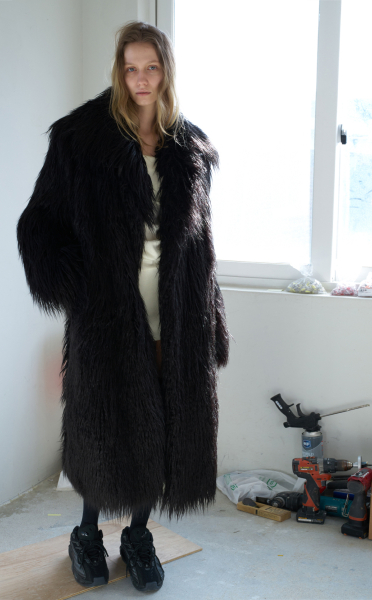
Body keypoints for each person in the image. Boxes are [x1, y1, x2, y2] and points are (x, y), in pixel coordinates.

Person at [16, 20, 231, 593]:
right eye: (131, 68)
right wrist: (81, 286)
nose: (141, 79)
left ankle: (138, 535)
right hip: (109, 316)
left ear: (165, 73)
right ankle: (87, 534)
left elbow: (203, 246)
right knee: (103, 427)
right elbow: (38, 225)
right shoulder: (80, 140)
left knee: (163, 425)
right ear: (119, 71)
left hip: (176, 316)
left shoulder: (191, 149)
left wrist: (210, 320)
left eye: (151, 68)